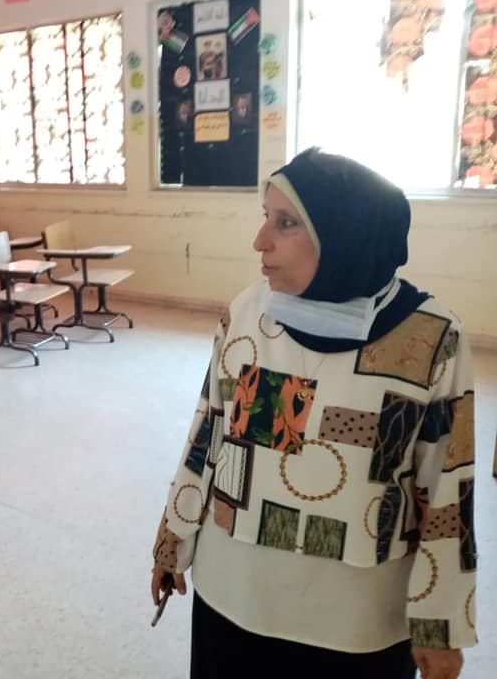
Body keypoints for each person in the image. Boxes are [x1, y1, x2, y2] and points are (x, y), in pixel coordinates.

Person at [151, 149, 476, 679]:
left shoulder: (428, 338)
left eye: (286, 223)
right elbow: (209, 436)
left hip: (356, 623)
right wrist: (172, 541)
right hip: (235, 596)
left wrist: (440, 623)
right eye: (266, 217)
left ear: (345, 230)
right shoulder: (251, 314)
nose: (260, 240)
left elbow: (446, 489)